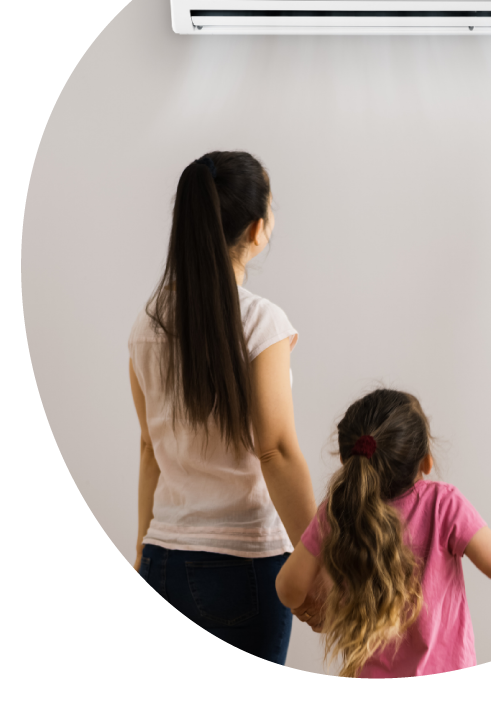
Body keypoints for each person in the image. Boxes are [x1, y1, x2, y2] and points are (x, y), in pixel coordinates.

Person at [129, 151, 318, 663]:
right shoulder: (262, 323)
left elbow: (150, 449)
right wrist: (318, 559)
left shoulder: (147, 327)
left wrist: (145, 549)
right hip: (244, 566)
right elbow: (275, 451)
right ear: (257, 230)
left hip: (163, 559)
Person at [275, 388, 491, 677]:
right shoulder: (443, 503)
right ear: (426, 461)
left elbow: (287, 587)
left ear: (347, 461)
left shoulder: (335, 511)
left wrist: (322, 609)